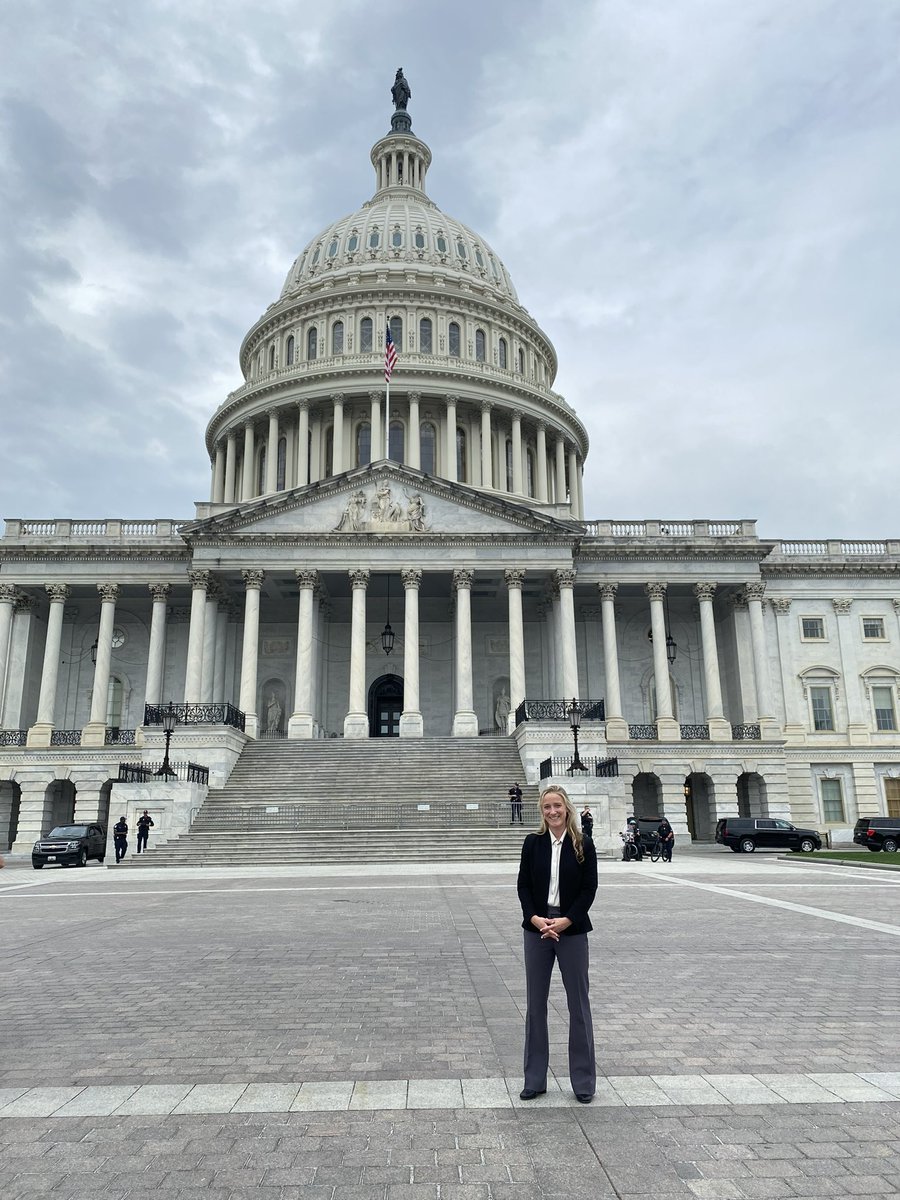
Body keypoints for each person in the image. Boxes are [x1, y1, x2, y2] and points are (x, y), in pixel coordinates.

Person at [517, 785, 598, 1104]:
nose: (552, 812)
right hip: (537, 929)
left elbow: (589, 888)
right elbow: (523, 884)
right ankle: (534, 1078)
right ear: (542, 811)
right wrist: (535, 918)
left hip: (572, 930)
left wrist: (567, 921)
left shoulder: (583, 844)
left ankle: (583, 1081)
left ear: (567, 809)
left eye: (557, 806)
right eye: (547, 807)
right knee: (535, 1006)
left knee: (578, 1005)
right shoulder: (532, 843)